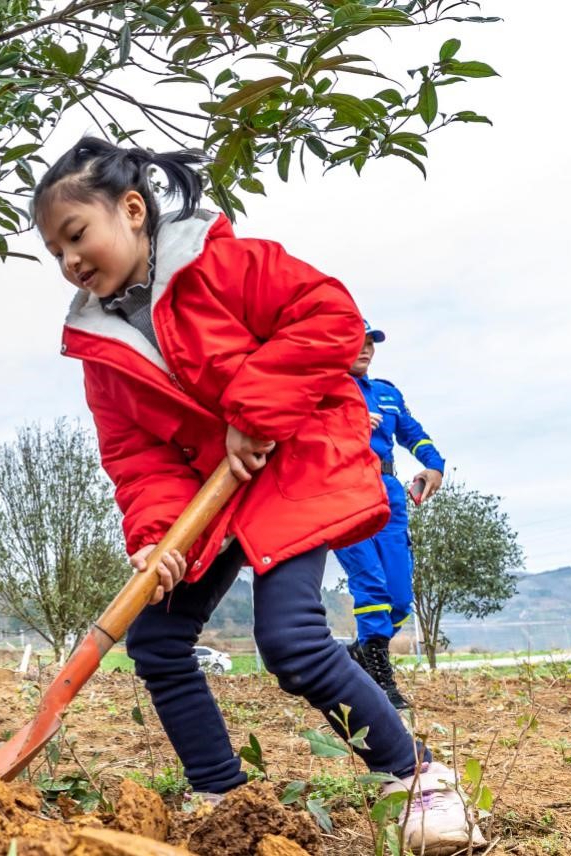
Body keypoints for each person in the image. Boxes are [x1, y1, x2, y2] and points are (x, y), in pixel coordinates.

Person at [34, 137, 484, 853]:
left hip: (289, 466)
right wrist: (157, 533)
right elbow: (134, 452)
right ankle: (222, 795)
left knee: (289, 641)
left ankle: (415, 776)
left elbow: (328, 318)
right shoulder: (100, 347)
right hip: (205, 498)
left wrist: (254, 411)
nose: (68, 261)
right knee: (156, 640)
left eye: (76, 235)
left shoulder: (229, 264)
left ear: (131, 209)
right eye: (54, 251)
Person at [334, 322, 446, 710]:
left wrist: (434, 466)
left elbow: (414, 434)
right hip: (343, 491)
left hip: (389, 493)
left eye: (370, 344)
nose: (365, 350)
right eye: (356, 342)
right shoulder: (322, 391)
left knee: (399, 598)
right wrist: (349, 426)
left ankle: (358, 653)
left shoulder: (387, 392)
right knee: (372, 588)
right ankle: (381, 684)